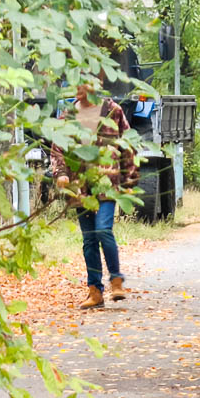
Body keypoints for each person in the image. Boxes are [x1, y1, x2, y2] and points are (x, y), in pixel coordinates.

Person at [52, 82, 138, 309]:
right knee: (89, 239)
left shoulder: (113, 111)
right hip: (80, 184)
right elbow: (57, 148)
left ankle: (117, 282)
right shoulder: (68, 116)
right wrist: (60, 174)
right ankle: (94, 292)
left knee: (103, 229)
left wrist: (130, 181)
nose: (76, 89)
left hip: (107, 182)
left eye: (81, 84)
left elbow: (128, 145)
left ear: (95, 85)